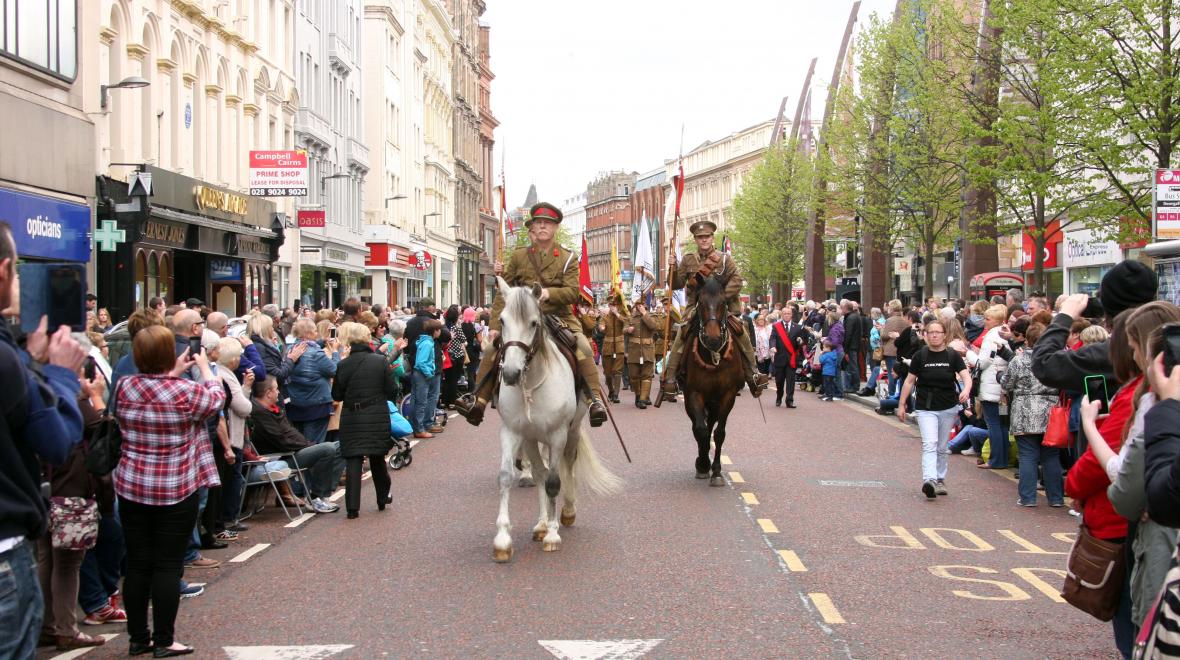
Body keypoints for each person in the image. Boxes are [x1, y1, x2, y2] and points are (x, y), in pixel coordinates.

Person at [114, 325, 225, 657]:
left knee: (137, 564)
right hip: (175, 487)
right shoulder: (185, 391)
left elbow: (153, 390)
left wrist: (173, 371)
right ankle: (164, 640)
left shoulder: (125, 386)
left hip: (132, 485)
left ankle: (138, 638)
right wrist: (204, 368)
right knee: (167, 565)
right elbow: (215, 400)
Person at [456, 202, 609, 426]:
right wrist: (496, 326)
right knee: (492, 348)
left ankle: (594, 400)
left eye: (547, 223)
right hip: (524, 317)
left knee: (583, 347)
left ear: (556, 227)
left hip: (558, 316)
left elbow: (572, 292)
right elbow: (504, 292)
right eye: (538, 223)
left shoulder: (567, 257)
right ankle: (477, 400)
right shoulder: (520, 256)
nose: (542, 226)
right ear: (533, 228)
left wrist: (549, 293)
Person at [37, 351, 111, 651]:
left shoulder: (41, 393)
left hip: (44, 488)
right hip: (71, 491)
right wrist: (97, 397)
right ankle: (66, 629)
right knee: (68, 564)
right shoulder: (76, 403)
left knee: (46, 559)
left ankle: (45, 625)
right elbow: (107, 436)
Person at [660, 219, 770, 401]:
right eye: (700, 237)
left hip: (723, 308)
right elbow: (677, 284)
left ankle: (753, 374)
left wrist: (719, 298)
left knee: (741, 332)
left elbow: (737, 280)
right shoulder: (688, 259)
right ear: (695, 240)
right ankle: (670, 379)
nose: (704, 240)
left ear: (712, 238)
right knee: (682, 333)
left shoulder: (724, 259)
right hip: (696, 308)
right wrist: (672, 268)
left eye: (707, 236)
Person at [1032, 260, 1158, 393]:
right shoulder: (1165, 340)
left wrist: (1064, 316)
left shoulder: (1111, 354)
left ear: (1106, 305)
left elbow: (1043, 363)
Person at [331, 322, 399, 519]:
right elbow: (392, 389)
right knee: (377, 457)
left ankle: (352, 508)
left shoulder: (343, 364)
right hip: (376, 415)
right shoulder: (380, 361)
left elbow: (337, 394)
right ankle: (382, 497)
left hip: (352, 416)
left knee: (353, 459)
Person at [897, 319, 972, 499]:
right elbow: (909, 381)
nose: (935, 335)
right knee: (929, 443)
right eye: (931, 332)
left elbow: (966, 376)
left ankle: (940, 479)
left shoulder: (952, 355)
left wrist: (966, 390)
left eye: (938, 332)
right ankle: (929, 480)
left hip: (948, 406)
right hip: (926, 407)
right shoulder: (920, 356)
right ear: (926, 335)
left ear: (945, 335)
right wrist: (901, 404)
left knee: (942, 446)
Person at [248, 376, 343, 514]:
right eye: (276, 389)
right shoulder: (260, 413)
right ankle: (315, 497)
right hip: (282, 458)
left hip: (292, 451)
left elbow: (290, 434)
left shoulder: (272, 409)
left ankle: (323, 494)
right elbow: (281, 440)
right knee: (327, 449)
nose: (279, 392)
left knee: (343, 447)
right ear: (268, 393)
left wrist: (308, 444)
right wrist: (308, 446)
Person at [1000, 323, 1063, 507]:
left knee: (1028, 455)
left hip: (1024, 409)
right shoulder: (1056, 360)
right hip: (1051, 410)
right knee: (1051, 456)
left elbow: (1006, 384)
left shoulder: (1019, 360)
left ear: (1027, 340)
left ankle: (1028, 498)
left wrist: (1000, 376)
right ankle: (1056, 498)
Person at [215, 337, 253, 532]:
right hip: (231, 437)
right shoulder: (227, 377)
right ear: (233, 359)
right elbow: (244, 408)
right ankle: (229, 518)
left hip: (229, 434)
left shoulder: (219, 372)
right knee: (232, 480)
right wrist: (246, 388)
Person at [285, 319, 340, 446]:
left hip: (296, 403)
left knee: (300, 441)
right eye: (315, 331)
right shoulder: (316, 353)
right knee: (314, 444)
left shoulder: (290, 349)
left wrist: (322, 341)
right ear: (308, 333)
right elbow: (335, 370)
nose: (317, 334)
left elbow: (307, 347)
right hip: (316, 404)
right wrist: (335, 352)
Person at [971, 304, 1011, 470]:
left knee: (993, 424)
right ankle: (1004, 458)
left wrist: (968, 354)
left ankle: (996, 460)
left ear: (996, 320)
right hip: (1002, 389)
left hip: (991, 388)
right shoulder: (1006, 335)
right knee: (1002, 425)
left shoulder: (991, 337)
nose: (984, 321)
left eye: (988, 319)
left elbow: (982, 362)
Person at [248, 312, 307, 406]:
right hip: (267, 397)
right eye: (271, 327)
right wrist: (291, 359)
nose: (273, 329)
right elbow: (278, 374)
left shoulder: (264, 344)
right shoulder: (260, 347)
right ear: (264, 329)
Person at [624, 301, 663, 409]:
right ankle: (638, 395)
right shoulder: (630, 318)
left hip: (647, 350)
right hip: (633, 351)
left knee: (646, 375)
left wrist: (644, 314)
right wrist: (628, 330)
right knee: (634, 375)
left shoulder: (651, 316)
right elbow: (624, 329)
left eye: (642, 305)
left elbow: (654, 326)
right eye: (638, 305)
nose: (640, 307)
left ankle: (642, 399)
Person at [769, 304, 807, 408]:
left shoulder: (797, 327)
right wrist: (772, 346)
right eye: (785, 313)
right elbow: (772, 338)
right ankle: (779, 397)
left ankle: (789, 400)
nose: (786, 315)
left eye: (788, 313)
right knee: (779, 381)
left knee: (790, 381)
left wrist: (800, 341)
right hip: (780, 358)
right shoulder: (776, 326)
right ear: (781, 315)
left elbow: (802, 340)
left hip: (792, 359)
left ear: (791, 315)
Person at [411, 320, 443, 438]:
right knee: (421, 402)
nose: (440, 332)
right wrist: (429, 374)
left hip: (419, 374)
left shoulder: (426, 341)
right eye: (439, 330)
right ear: (435, 331)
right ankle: (419, 429)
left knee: (419, 401)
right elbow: (421, 362)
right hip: (422, 375)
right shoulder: (428, 344)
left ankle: (418, 427)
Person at [599, 295, 627, 403]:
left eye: (614, 305)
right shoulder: (605, 317)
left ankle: (616, 394)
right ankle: (611, 390)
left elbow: (626, 322)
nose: (612, 307)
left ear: (618, 306)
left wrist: (617, 314)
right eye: (611, 305)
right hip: (608, 347)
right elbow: (601, 325)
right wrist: (602, 328)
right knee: (607, 372)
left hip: (619, 346)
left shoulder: (622, 315)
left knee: (617, 370)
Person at [441, 305, 467, 408]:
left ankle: (444, 401)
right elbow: (464, 340)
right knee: (454, 380)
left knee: (446, 379)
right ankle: (452, 402)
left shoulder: (444, 327)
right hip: (457, 356)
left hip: (446, 356)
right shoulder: (456, 328)